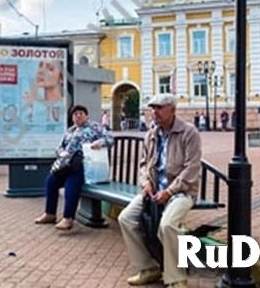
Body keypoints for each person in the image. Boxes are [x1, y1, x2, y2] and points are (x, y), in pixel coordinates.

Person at [118, 93, 202, 288]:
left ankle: (176, 279)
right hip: (155, 191)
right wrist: (146, 182)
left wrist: (170, 192)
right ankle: (148, 268)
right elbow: (143, 164)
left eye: (159, 107)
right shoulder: (152, 134)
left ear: (172, 110)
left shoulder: (188, 132)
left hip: (182, 191)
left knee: (168, 225)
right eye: (152, 108)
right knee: (126, 218)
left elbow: (192, 167)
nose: (154, 112)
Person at [34, 104, 113, 230]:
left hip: (84, 165)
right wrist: (61, 153)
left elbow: (110, 138)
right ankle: (50, 213)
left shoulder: (94, 127)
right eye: (75, 114)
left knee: (72, 183)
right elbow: (59, 147)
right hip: (66, 164)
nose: (78, 116)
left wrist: (101, 142)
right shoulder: (70, 131)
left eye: (81, 113)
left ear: (86, 116)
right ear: (72, 118)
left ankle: (68, 218)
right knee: (51, 180)